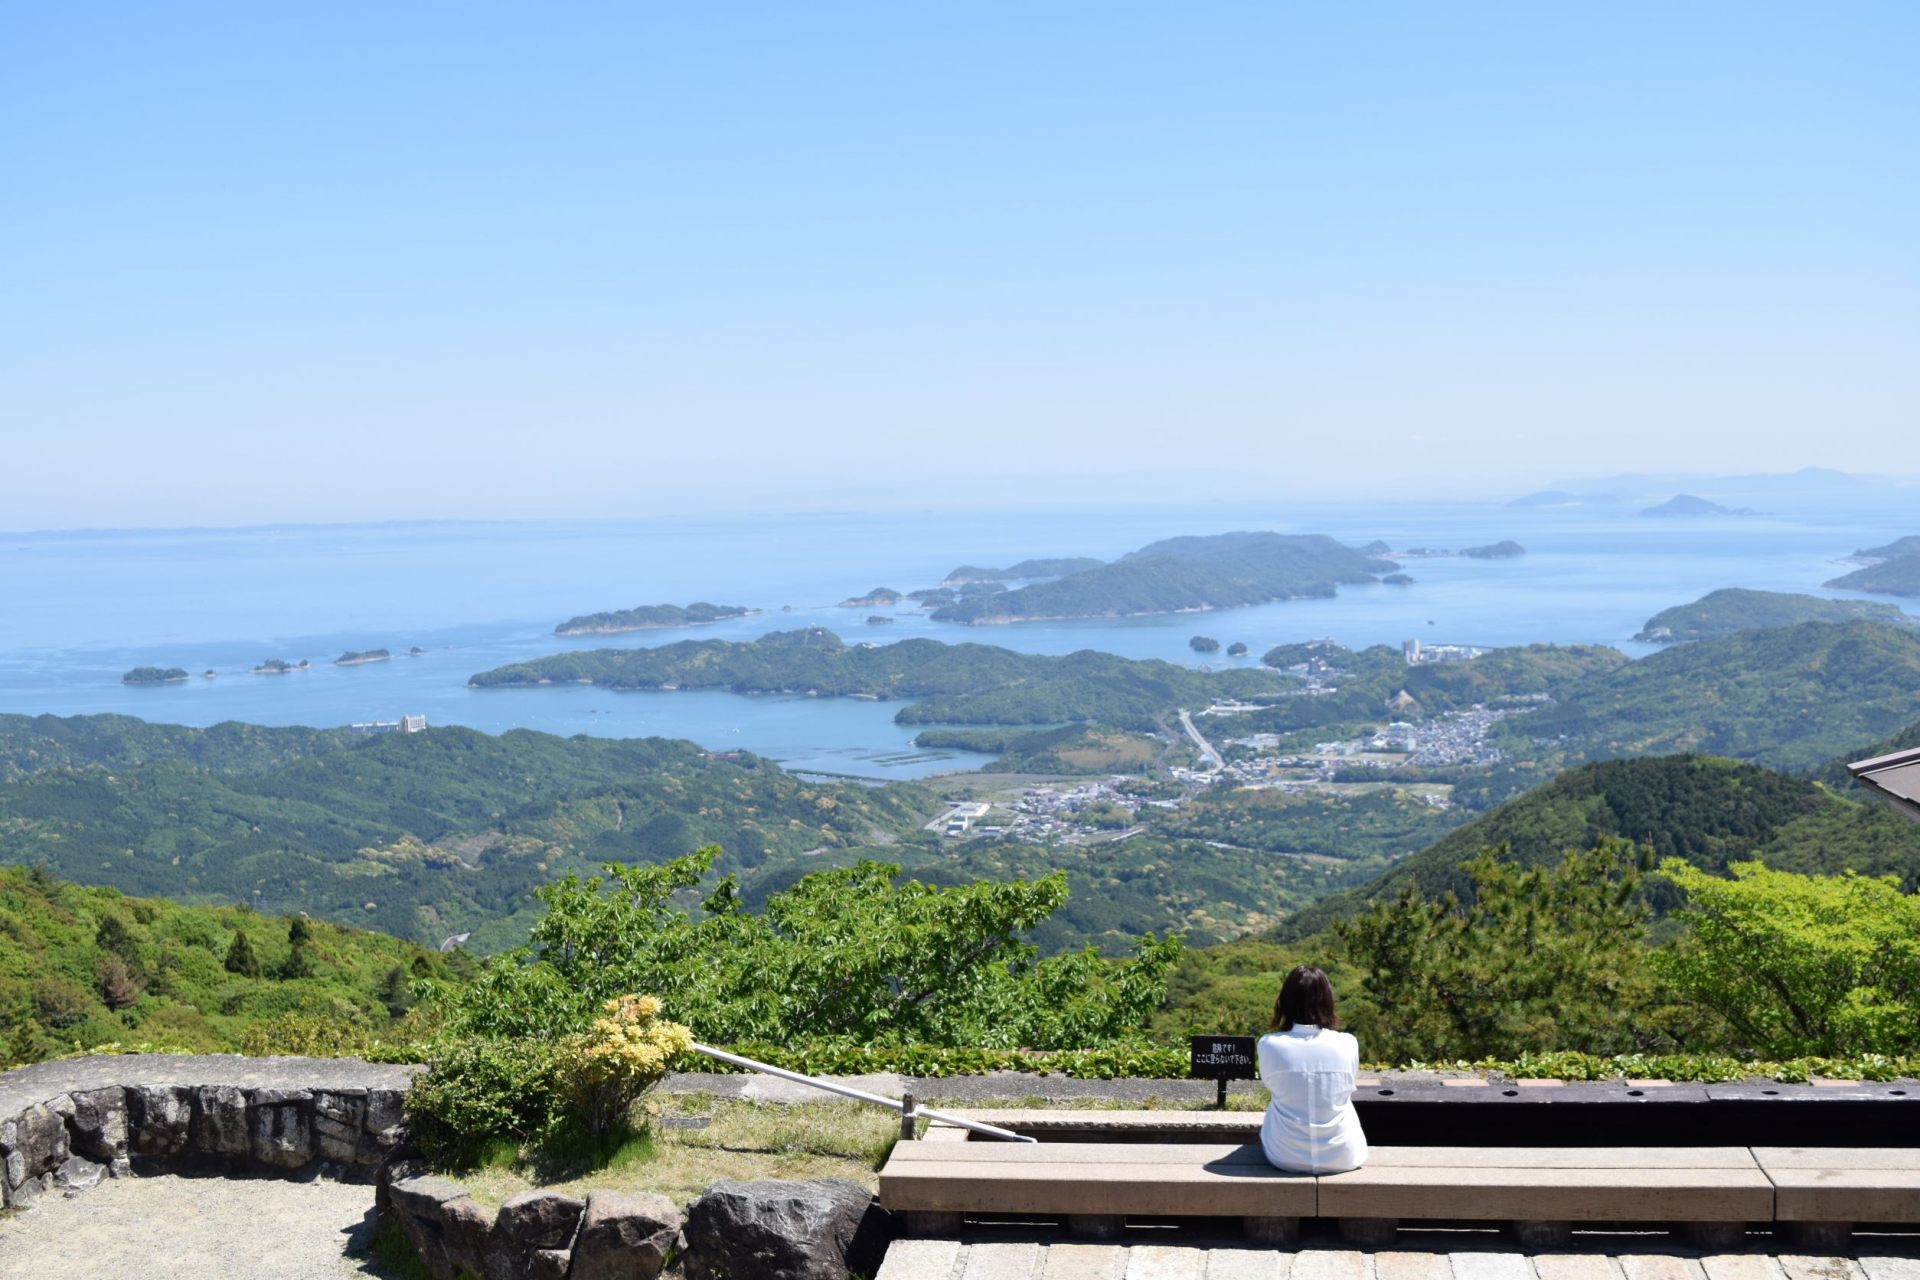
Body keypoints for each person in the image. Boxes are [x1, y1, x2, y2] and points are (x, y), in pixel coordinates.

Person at [1257, 965, 1368, 1174]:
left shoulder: (1269, 1044)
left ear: (1285, 1002)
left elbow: (1271, 1085)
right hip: (1344, 1155)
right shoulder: (1347, 1043)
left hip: (1283, 1155)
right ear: (1327, 1002)